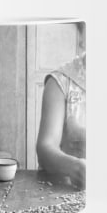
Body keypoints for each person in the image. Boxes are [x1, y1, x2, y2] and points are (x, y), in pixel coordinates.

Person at [36, 23, 86, 189]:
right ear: (83, 38)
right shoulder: (60, 82)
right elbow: (45, 148)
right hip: (65, 189)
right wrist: (75, 167)